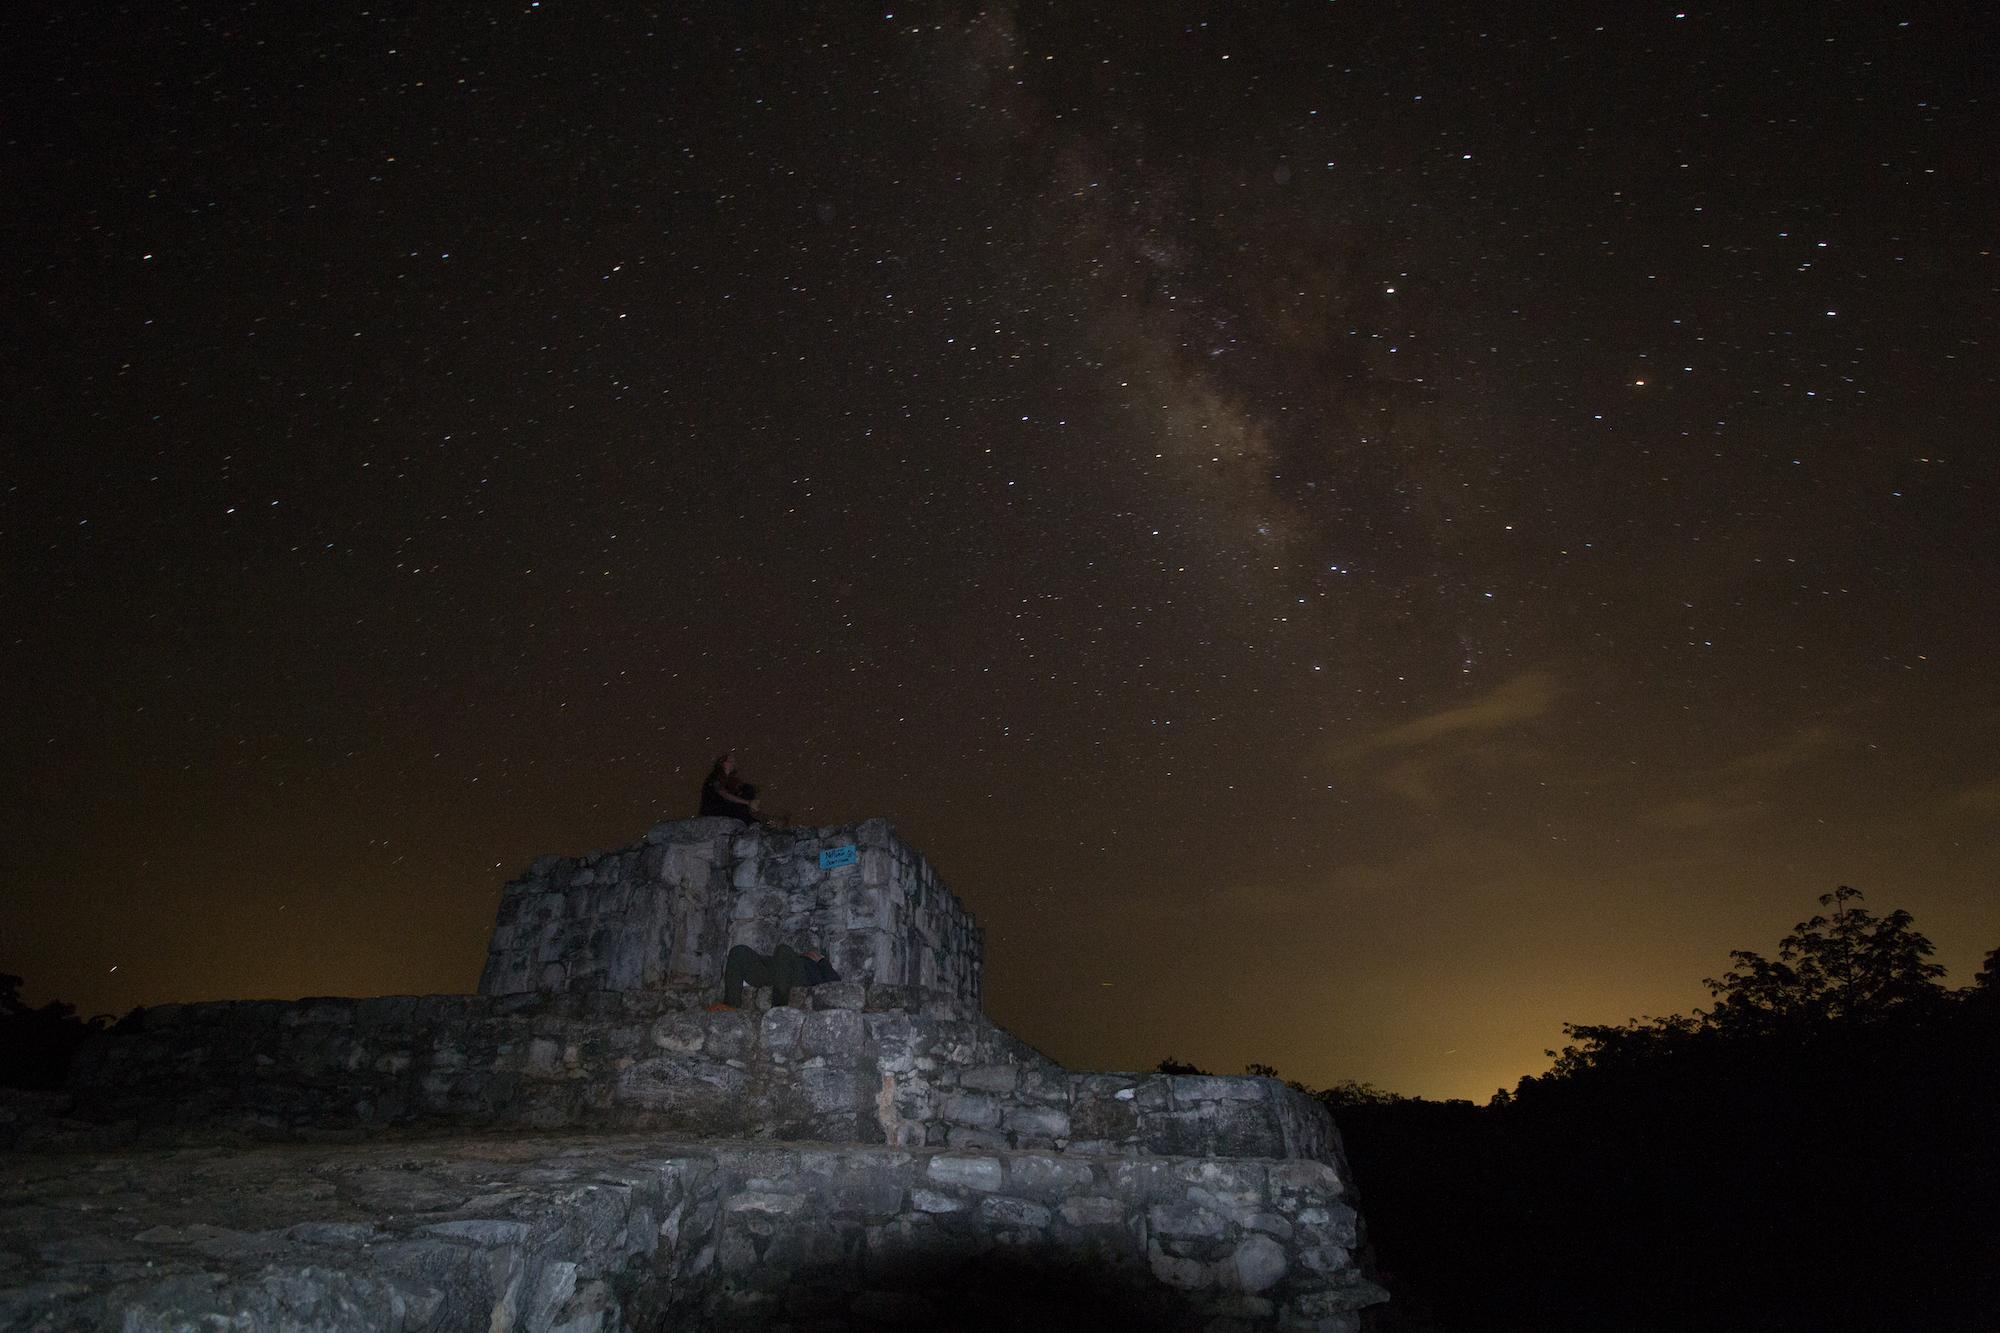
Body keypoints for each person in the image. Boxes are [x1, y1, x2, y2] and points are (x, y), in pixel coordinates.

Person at [714, 942, 838, 1009]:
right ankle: (730, 1005)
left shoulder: (817, 966)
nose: (810, 953)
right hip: (775, 973)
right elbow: (775, 961)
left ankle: (779, 1007)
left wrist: (821, 960)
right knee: (739, 951)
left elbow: (835, 983)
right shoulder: (791, 957)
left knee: (783, 949)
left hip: (800, 979)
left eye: (814, 953)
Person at [699, 752, 763, 823]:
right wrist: (748, 802)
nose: (733, 763)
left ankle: (751, 811)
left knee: (747, 788)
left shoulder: (730, 781)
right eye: (730, 761)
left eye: (734, 762)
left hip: (724, 806)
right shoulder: (714, 777)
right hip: (713, 809)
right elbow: (724, 794)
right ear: (722, 763)